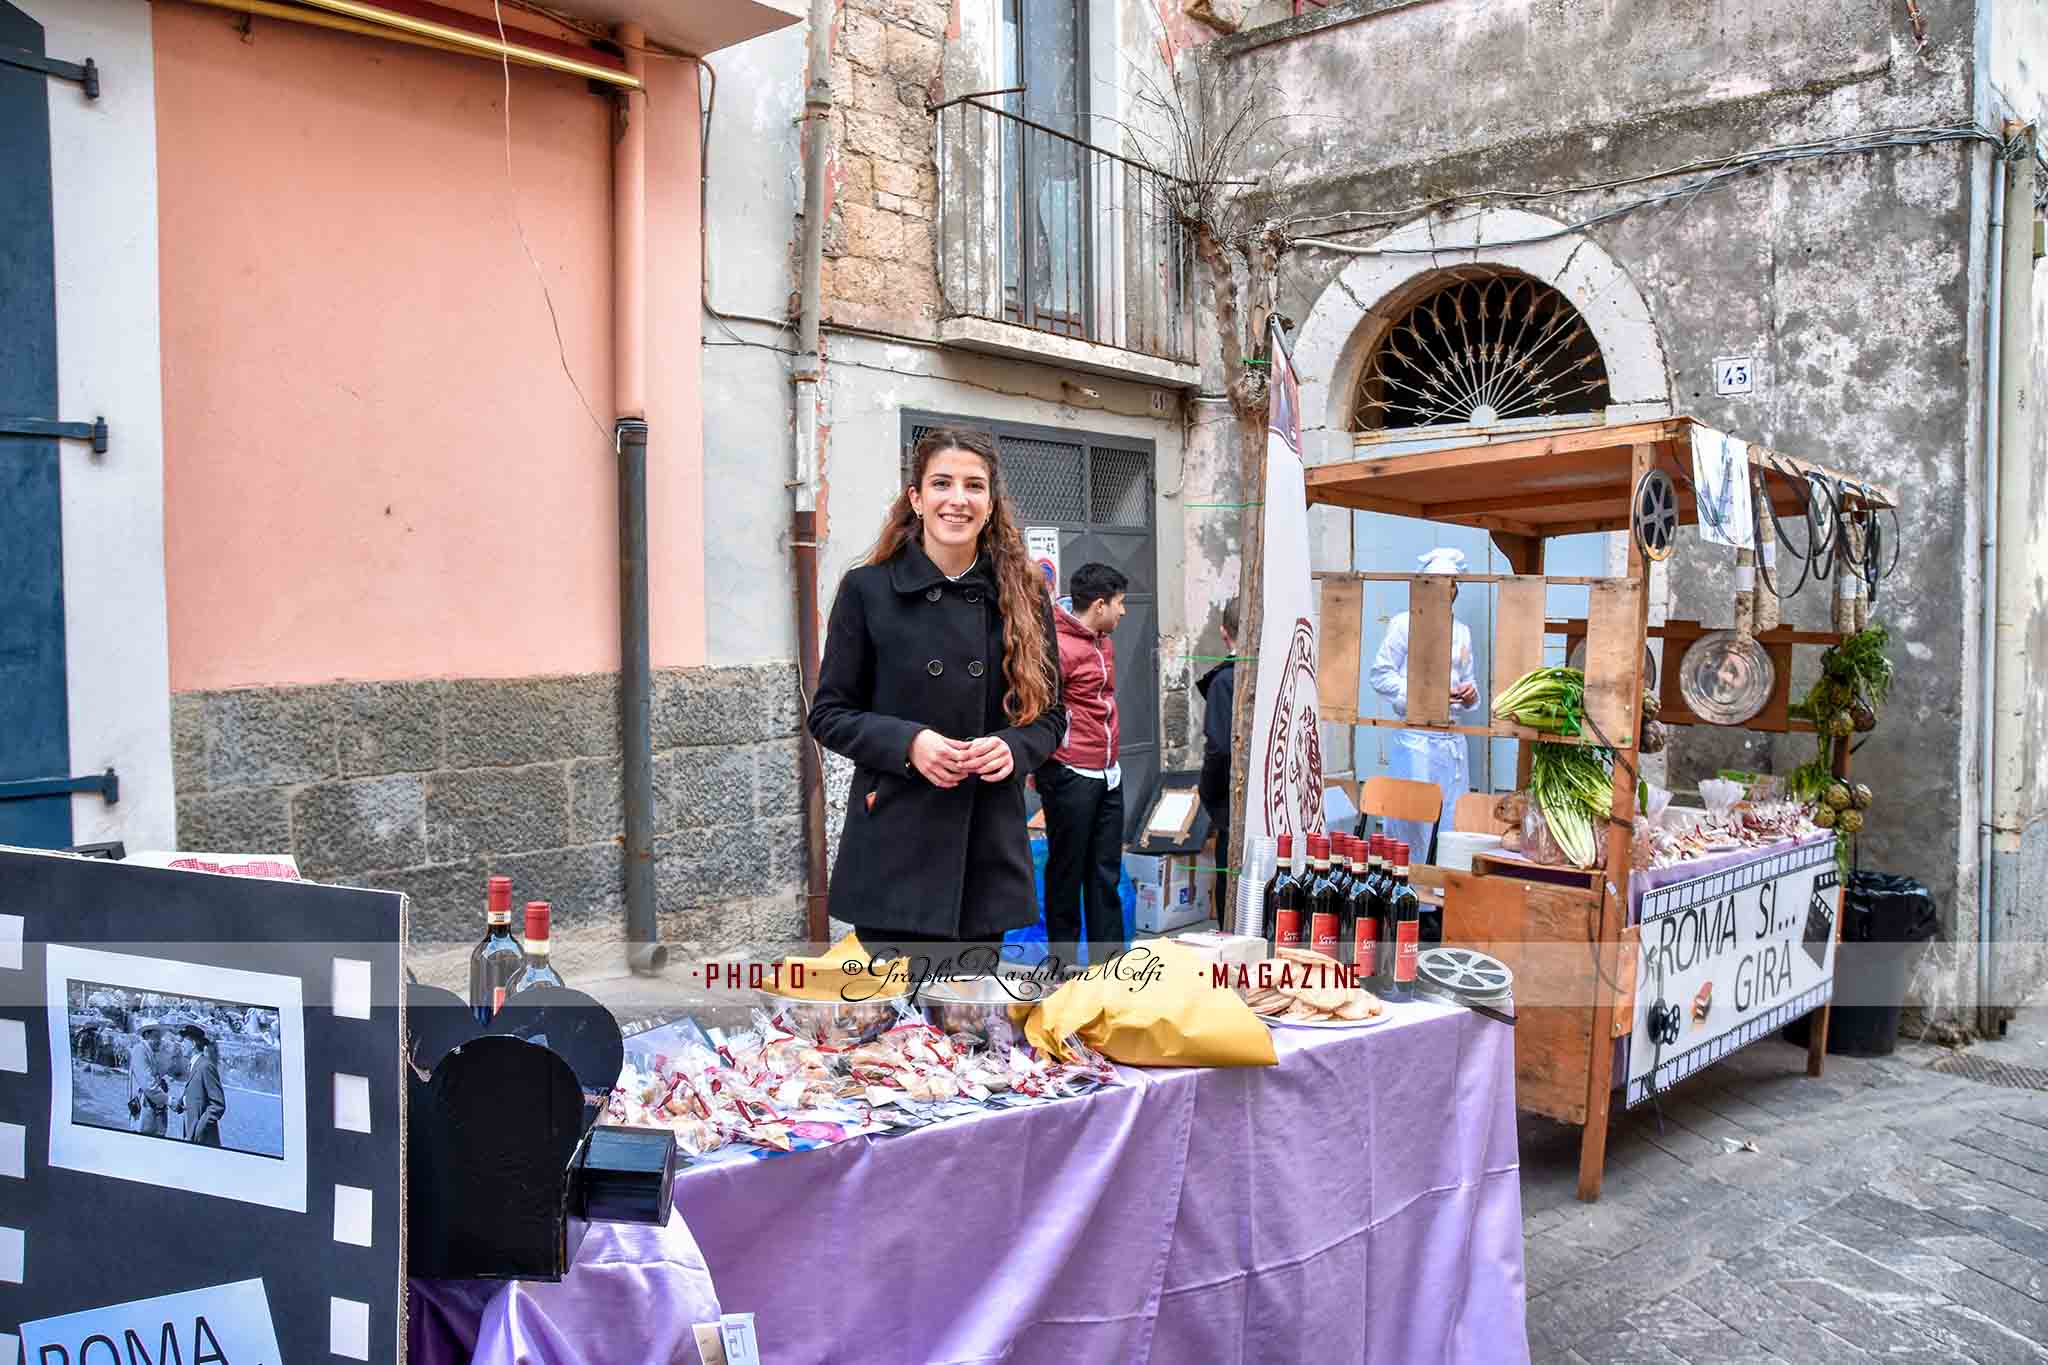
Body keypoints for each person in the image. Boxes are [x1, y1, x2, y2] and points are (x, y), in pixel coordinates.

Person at [808, 427, 1065, 954]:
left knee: (965, 1028)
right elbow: (829, 714)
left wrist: (1014, 749)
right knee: (893, 1032)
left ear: (990, 504)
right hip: (896, 844)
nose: (958, 499)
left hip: (983, 847)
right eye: (942, 483)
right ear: (917, 499)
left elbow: (1053, 716)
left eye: (974, 486)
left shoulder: (1025, 595)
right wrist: (910, 744)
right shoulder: (867, 590)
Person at [1037, 562, 1129, 965]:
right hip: (1071, 774)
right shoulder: (1057, 647)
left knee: (1105, 873)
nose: (1123, 612)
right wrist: (1042, 767)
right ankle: (1061, 967)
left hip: (1109, 773)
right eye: (1119, 604)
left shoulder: (1103, 638)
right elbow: (1039, 712)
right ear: (1098, 605)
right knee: (1066, 873)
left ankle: (1108, 969)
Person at [1369, 547, 1481, 862]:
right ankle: (1411, 897)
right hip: (1417, 740)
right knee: (1412, 824)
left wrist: (1470, 695)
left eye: (1454, 584)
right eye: (1441, 583)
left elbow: (1469, 682)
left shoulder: (1462, 632)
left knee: (1450, 825)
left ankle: (1442, 900)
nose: (1450, 590)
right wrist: (1423, 694)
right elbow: (1380, 676)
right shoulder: (1404, 625)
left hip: (1453, 743)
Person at [1195, 598, 1239, 918]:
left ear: (1224, 633)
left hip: (1233, 804)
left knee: (1234, 892)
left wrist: (1208, 794)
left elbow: (1220, 748)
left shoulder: (1225, 681)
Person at [175, 1024, 228, 1147]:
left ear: (193, 1044)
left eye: (184, 1041)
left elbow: (218, 1105)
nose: (181, 1045)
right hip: (191, 1133)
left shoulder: (205, 1066)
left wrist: (199, 1128)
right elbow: (195, 1092)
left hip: (203, 1138)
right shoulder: (194, 1065)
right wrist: (180, 1102)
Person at [127, 1019, 173, 1137]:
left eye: (160, 1037)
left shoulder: (150, 1052)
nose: (159, 1041)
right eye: (156, 1037)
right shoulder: (139, 1050)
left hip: (151, 1111)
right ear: (147, 1035)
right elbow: (148, 1084)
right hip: (144, 1112)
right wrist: (169, 1101)